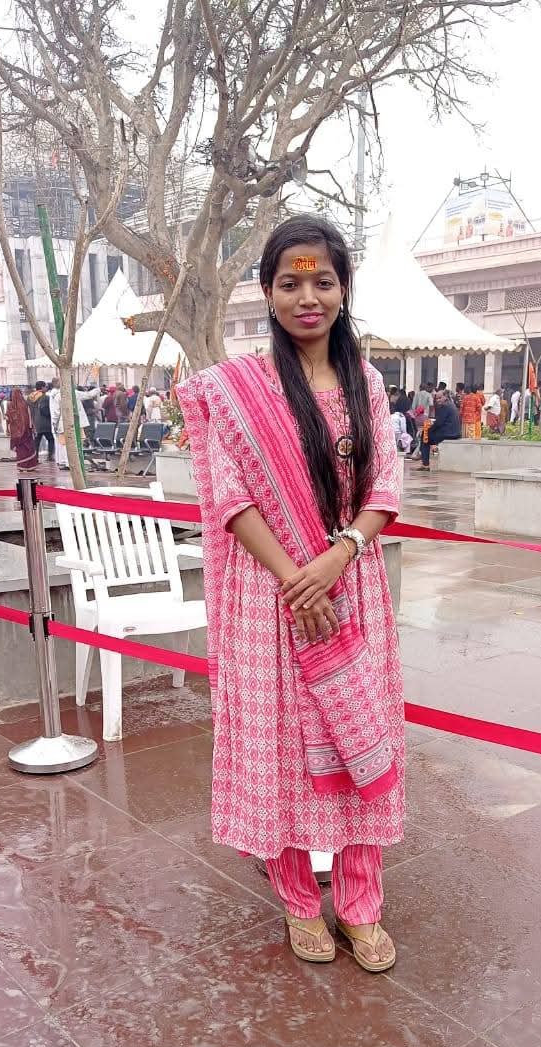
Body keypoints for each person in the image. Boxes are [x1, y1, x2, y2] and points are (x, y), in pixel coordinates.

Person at [175, 214, 402, 972]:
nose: (308, 297)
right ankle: (300, 902)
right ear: (268, 293)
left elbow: (384, 488)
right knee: (279, 751)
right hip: (267, 599)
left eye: (323, 281)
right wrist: (294, 579)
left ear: (343, 289)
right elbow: (229, 497)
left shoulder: (367, 383)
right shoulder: (238, 390)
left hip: (350, 586)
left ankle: (361, 907)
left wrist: (337, 558)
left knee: (360, 738)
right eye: (290, 282)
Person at [420, 388, 461, 470]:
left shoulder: (444, 406)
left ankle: (425, 464)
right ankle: (424, 455)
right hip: (454, 432)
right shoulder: (451, 404)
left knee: (425, 437)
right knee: (427, 434)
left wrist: (429, 430)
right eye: (436, 398)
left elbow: (439, 423)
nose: (438, 400)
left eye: (440, 398)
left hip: (448, 433)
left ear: (445, 397)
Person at [6, 386, 38, 471]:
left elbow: (8, 418)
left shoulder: (10, 405)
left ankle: (21, 466)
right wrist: (31, 427)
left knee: (20, 450)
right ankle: (29, 466)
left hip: (16, 432)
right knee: (28, 449)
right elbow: (29, 418)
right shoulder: (25, 404)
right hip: (26, 432)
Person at [28, 380, 54, 461]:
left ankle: (35, 458)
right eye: (46, 387)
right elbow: (46, 411)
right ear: (42, 387)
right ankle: (50, 456)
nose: (46, 388)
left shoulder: (29, 397)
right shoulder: (45, 397)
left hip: (34, 423)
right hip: (45, 423)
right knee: (51, 439)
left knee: (36, 441)